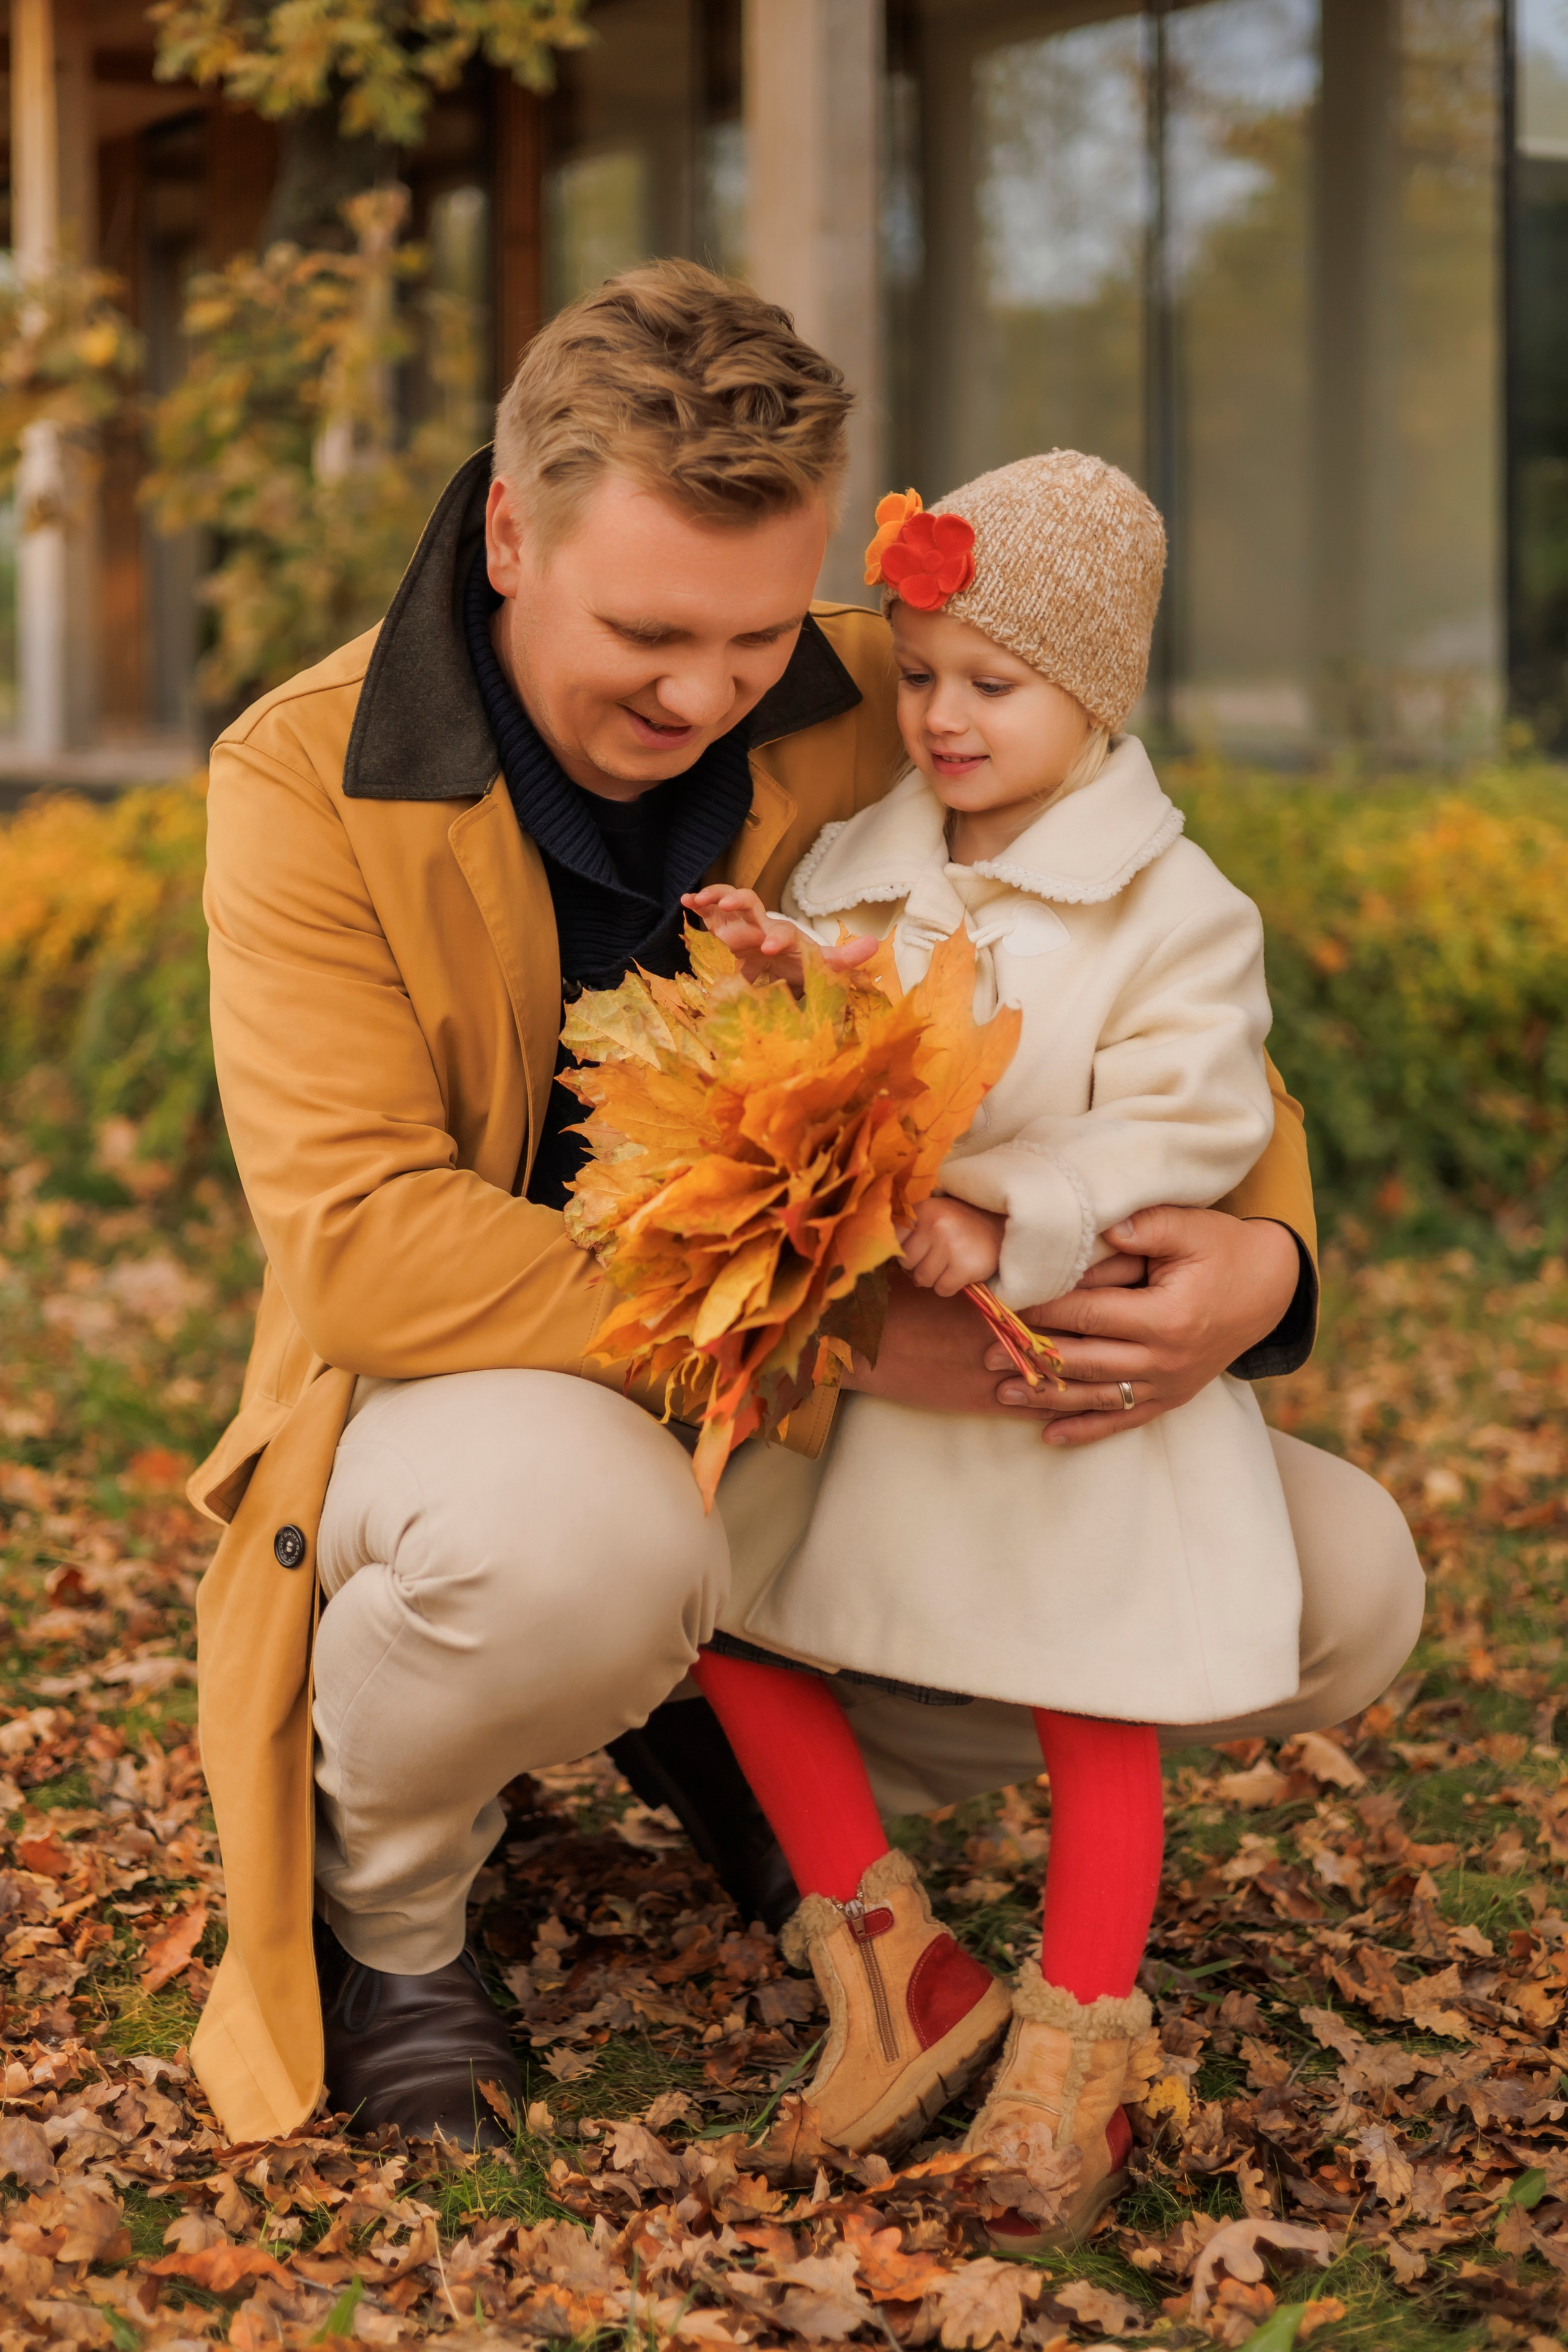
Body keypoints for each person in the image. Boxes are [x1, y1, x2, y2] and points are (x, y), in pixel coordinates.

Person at [190, 260, 1425, 2152]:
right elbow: (365, 1245)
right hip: (487, 1400)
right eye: (652, 632)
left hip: (820, 1425)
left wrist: (1262, 1262)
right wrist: (844, 1328)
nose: (707, 695)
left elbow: (1163, 1002)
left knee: (1336, 1586)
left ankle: (732, 1715)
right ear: (514, 531)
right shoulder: (306, 774)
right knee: (579, 1545)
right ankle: (400, 1915)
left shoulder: (886, 689)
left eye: (758, 639)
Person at [680, 451, 1323, 2247]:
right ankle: (889, 1954)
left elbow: (1183, 1127)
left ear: (1092, 695)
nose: (942, 717)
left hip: (1062, 1369)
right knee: (722, 1608)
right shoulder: (870, 861)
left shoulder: (1171, 913)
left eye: (993, 682)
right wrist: (771, 962)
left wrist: (1019, 1210)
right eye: (919, 674)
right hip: (886, 1370)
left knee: (1089, 1686)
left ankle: (1076, 2035)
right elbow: (856, 1027)